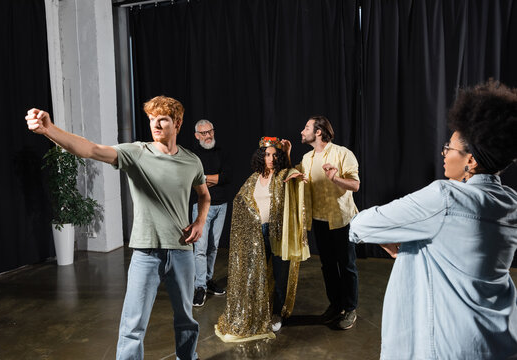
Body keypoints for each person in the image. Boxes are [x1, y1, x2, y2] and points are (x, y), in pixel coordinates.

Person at [25, 95, 210, 360]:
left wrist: (200, 221)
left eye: (162, 120)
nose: (155, 125)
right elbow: (90, 149)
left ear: (177, 123)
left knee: (186, 320)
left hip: (182, 251)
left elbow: (204, 195)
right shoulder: (136, 153)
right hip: (145, 253)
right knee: (133, 326)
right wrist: (49, 130)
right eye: (151, 120)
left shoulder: (192, 161)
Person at [349, 80, 517, 359]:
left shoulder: (445, 198)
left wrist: (389, 238)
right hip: (499, 339)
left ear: (470, 161)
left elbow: (360, 225)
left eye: (449, 148)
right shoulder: (510, 202)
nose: (444, 154)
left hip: (451, 343)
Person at [215, 137, 309, 342]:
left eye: (275, 155)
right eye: (267, 155)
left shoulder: (283, 174)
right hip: (257, 234)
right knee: (256, 274)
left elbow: (292, 174)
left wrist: (295, 174)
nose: (271, 158)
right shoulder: (254, 178)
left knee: (280, 274)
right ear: (261, 156)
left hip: (278, 234)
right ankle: (257, 309)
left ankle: (277, 313)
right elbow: (241, 200)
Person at [297, 116, 361, 330]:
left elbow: (355, 184)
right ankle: (336, 305)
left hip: (342, 220)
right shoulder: (306, 159)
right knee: (328, 266)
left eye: (306, 127)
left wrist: (335, 179)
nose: (302, 131)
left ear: (318, 132)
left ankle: (350, 309)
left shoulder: (343, 154)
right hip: (319, 221)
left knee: (347, 265)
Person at [191, 119, 231, 307]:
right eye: (204, 133)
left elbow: (227, 176)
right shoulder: (192, 156)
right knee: (200, 248)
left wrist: (207, 178)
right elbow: (193, 180)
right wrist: (214, 179)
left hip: (221, 205)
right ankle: (199, 286)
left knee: (213, 247)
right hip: (201, 206)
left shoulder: (222, 152)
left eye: (210, 132)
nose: (208, 136)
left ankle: (207, 280)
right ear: (197, 136)